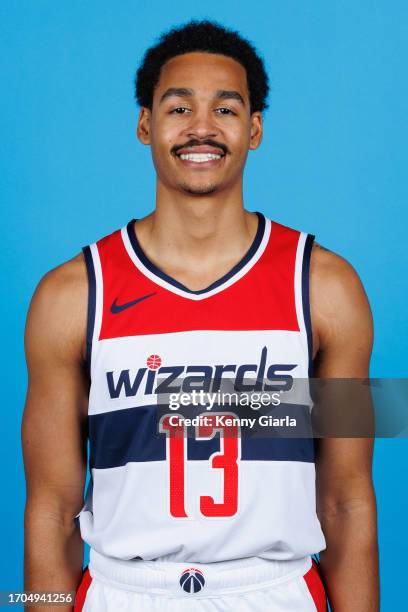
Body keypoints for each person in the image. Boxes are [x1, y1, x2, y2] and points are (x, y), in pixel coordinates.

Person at [22, 20, 379, 612]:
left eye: (227, 109)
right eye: (179, 106)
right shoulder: (69, 296)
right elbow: (51, 508)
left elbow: (348, 500)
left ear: (255, 130)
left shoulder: (328, 287)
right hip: (124, 590)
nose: (202, 128)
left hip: (276, 590)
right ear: (145, 124)